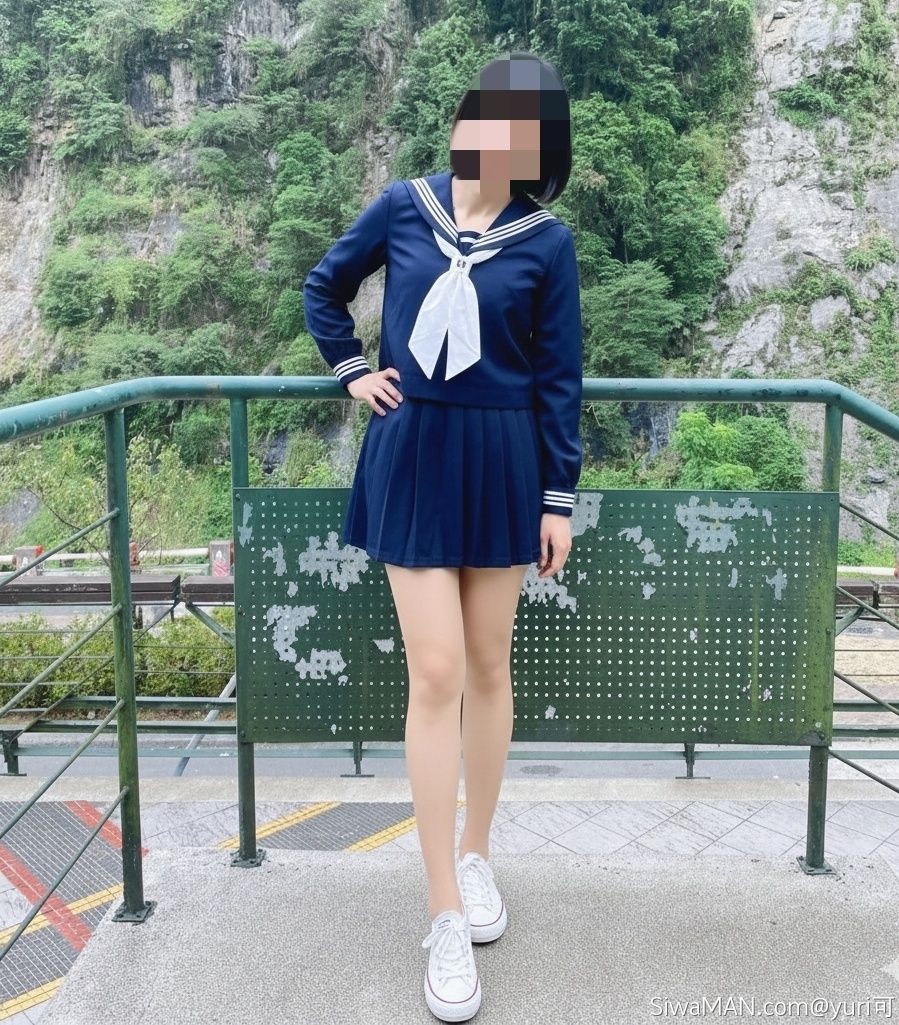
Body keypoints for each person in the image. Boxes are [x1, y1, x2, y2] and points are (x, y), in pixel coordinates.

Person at [303, 50, 583, 1023]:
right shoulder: (403, 206)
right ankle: (442, 912)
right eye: (491, 116)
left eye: (524, 128)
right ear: (468, 121)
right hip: (413, 451)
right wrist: (350, 369)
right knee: (435, 671)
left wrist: (557, 498)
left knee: (488, 664)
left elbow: (559, 377)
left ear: (538, 147)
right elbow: (323, 287)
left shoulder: (545, 242)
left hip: (503, 461)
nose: (500, 138)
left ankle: (476, 854)